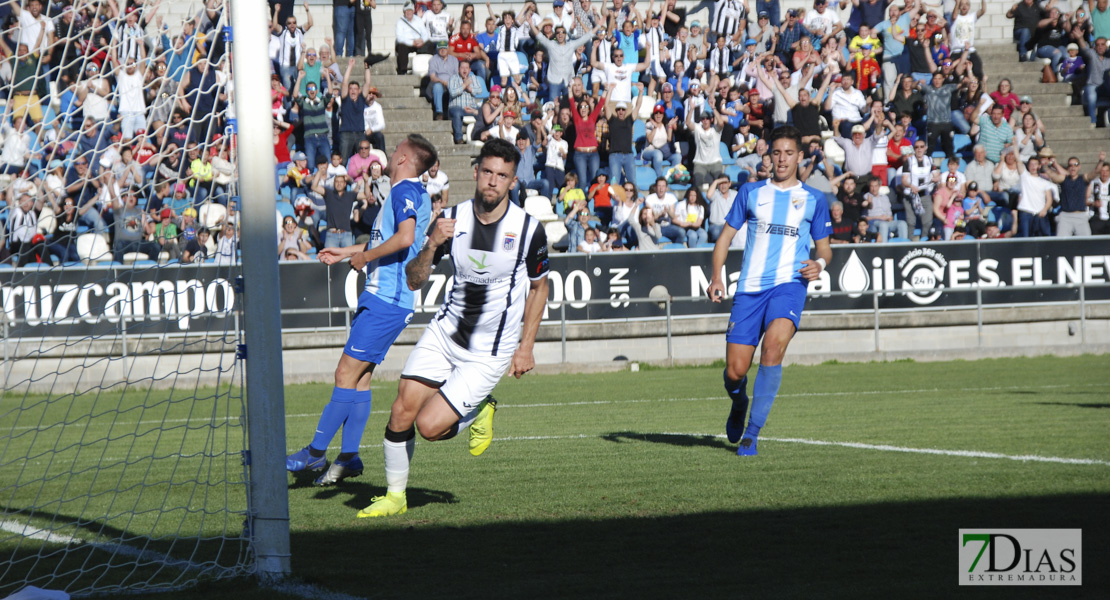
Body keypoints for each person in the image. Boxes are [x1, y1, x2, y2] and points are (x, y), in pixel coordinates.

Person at [357, 139, 549, 518]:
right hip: (445, 334)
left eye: (503, 176)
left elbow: (540, 288)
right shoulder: (451, 219)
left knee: (429, 428)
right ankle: (395, 497)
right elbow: (414, 280)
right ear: (476, 173)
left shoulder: (528, 230)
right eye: (488, 172)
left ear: (512, 182)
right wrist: (431, 244)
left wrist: (525, 347)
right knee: (400, 411)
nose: (493, 181)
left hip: (489, 352)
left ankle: (479, 410)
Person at [286, 134, 438, 486]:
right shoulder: (410, 193)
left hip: (387, 299)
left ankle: (314, 453)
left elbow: (404, 237)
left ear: (403, 159)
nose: (392, 151)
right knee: (360, 379)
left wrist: (364, 258)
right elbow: (391, 239)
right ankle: (349, 456)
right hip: (388, 298)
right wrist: (345, 252)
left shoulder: (403, 192)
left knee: (344, 374)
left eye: (397, 148)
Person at [707, 126, 832, 457]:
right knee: (735, 371)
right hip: (749, 289)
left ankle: (752, 432)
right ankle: (738, 400)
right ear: (769, 156)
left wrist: (819, 264)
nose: (782, 159)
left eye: (789, 153)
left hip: (789, 286)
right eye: (776, 153)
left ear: (799, 157)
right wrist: (717, 276)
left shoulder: (814, 199)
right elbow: (724, 238)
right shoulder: (750, 192)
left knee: (773, 350)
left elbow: (825, 249)